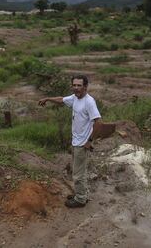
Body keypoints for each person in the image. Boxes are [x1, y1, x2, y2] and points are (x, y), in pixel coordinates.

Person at [38, 75, 101, 208]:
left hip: (82, 143)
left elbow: (98, 123)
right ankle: (81, 193)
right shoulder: (75, 98)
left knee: (78, 174)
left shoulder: (89, 102)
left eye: (79, 85)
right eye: (74, 85)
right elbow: (61, 99)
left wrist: (89, 141)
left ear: (85, 86)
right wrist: (48, 99)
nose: (76, 88)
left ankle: (80, 199)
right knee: (78, 171)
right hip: (76, 141)